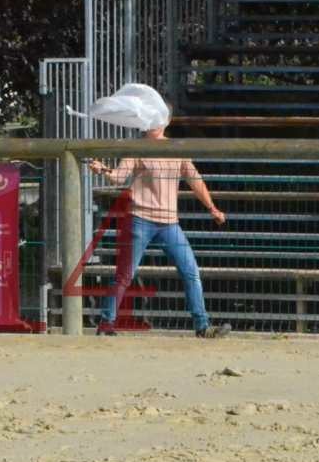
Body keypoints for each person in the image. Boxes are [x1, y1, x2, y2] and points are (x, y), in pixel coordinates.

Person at [87, 117, 232, 339]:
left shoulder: (177, 150)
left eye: (158, 118)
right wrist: (102, 169)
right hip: (140, 219)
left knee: (191, 271)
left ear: (166, 121)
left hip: (169, 223)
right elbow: (118, 177)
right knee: (125, 274)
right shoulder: (138, 149)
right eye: (150, 118)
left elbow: (196, 180)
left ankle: (202, 326)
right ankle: (106, 323)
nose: (154, 123)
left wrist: (212, 207)